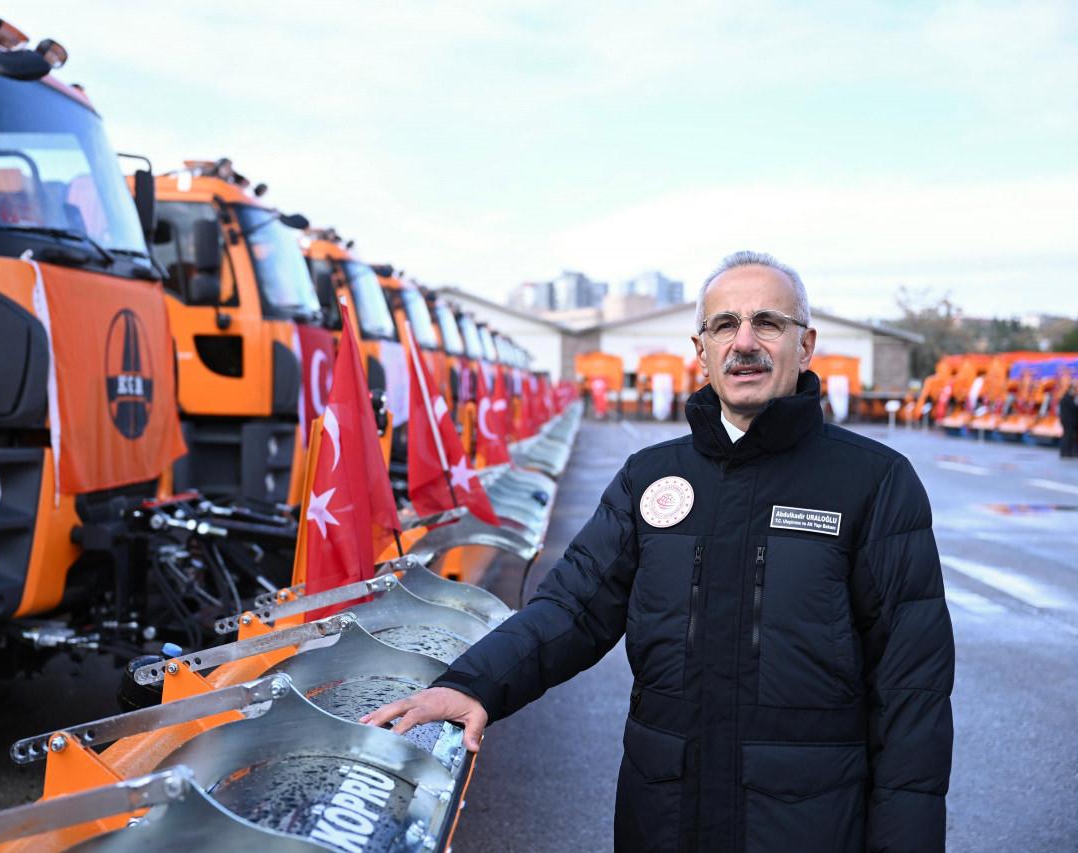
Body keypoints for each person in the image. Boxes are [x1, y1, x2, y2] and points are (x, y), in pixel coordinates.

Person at [362, 251, 955, 852]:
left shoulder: (874, 482)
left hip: (808, 823)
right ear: (701, 350)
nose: (744, 342)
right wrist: (475, 684)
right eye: (724, 325)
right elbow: (572, 609)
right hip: (666, 815)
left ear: (805, 346)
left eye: (768, 323)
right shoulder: (650, 479)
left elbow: (912, 689)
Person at [1059, 385, 1078, 459]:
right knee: (1067, 437)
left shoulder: (1066, 398)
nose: (1074, 392)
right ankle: (1066, 452)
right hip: (1069, 422)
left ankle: (1067, 452)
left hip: (1067, 421)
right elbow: (1074, 409)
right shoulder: (1067, 399)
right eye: (1073, 390)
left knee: (1068, 437)